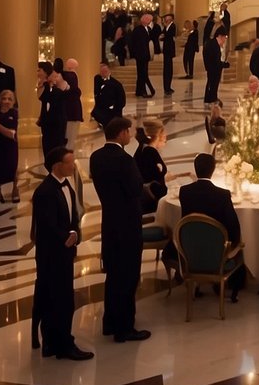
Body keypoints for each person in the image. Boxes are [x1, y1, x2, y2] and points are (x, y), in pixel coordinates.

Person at [88, 117, 150, 342]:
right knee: (129, 275)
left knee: (113, 274)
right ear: (122, 133)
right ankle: (125, 327)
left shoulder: (96, 157)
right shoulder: (124, 159)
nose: (131, 135)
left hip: (109, 221)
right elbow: (135, 189)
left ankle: (110, 321)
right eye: (129, 132)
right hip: (128, 223)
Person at [30, 147, 93, 361]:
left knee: (63, 297)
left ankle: (55, 341)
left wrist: (74, 232)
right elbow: (47, 225)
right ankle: (61, 343)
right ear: (57, 165)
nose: (73, 166)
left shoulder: (69, 187)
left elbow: (73, 216)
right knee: (58, 299)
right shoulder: (45, 192)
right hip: (52, 255)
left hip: (65, 250)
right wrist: (66, 236)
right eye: (69, 163)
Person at [168, 153, 245, 300]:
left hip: (191, 251)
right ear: (213, 169)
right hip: (217, 254)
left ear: (195, 169)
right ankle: (233, 288)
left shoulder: (185, 192)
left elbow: (186, 220)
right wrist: (235, 244)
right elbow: (233, 225)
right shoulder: (222, 195)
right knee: (238, 245)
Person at [134, 118, 172, 214]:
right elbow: (154, 177)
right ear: (159, 136)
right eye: (164, 135)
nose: (165, 138)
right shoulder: (150, 152)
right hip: (152, 202)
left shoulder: (142, 148)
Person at [36, 62, 68, 156]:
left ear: (46, 72)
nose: (37, 72)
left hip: (57, 124)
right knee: (47, 149)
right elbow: (41, 97)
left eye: (39, 70)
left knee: (56, 150)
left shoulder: (56, 89)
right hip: (47, 124)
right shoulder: (43, 86)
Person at [128, 13, 156, 98]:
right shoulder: (139, 30)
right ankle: (145, 90)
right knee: (142, 74)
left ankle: (139, 91)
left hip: (144, 55)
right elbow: (135, 43)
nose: (151, 22)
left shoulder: (146, 29)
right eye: (150, 21)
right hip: (141, 55)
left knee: (142, 74)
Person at [91, 61, 126, 128]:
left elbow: (122, 101)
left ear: (109, 71)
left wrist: (113, 108)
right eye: (102, 71)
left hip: (113, 112)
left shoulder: (117, 84)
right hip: (103, 111)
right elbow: (97, 96)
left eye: (105, 71)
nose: (103, 73)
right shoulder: (98, 81)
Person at [202, 29, 229, 106]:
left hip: (213, 68)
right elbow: (215, 61)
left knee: (213, 83)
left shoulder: (214, 44)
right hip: (213, 69)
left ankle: (211, 98)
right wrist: (224, 64)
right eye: (224, 38)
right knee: (212, 83)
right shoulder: (213, 45)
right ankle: (211, 99)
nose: (224, 40)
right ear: (220, 36)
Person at [160, 13, 177, 94]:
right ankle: (166, 87)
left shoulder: (172, 26)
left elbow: (169, 35)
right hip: (166, 50)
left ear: (171, 19)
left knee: (169, 69)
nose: (166, 19)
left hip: (169, 50)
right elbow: (163, 34)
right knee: (166, 68)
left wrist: (164, 36)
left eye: (167, 18)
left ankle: (168, 87)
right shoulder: (166, 27)